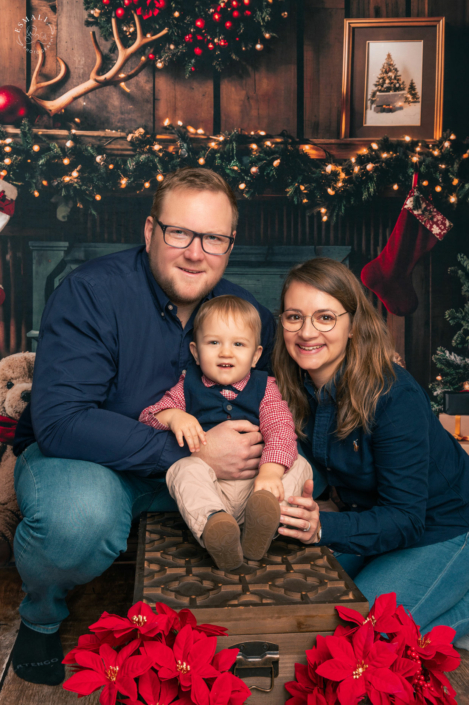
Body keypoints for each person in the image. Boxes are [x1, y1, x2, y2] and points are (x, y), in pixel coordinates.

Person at [11, 168, 276, 686]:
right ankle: (41, 616)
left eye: (213, 238)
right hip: (90, 463)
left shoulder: (248, 315)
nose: (196, 253)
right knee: (77, 520)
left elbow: (277, 404)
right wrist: (192, 455)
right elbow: (61, 422)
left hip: (204, 480)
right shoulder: (90, 293)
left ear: (230, 244)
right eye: (180, 233)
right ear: (151, 231)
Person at [273, 257, 469, 646]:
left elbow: (406, 519)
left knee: (357, 641)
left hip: (440, 526)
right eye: (294, 316)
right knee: (299, 608)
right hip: (369, 517)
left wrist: (322, 528)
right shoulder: (292, 383)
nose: (307, 332)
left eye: (325, 317)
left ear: (352, 325)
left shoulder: (395, 396)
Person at [139, 294, 312, 571]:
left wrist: (270, 472)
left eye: (238, 344)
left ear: (256, 355)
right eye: (214, 342)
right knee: (181, 470)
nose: (226, 352)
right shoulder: (186, 386)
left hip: (259, 487)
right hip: (212, 489)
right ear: (195, 352)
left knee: (300, 464)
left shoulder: (265, 387)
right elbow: (148, 418)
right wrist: (173, 416)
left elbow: (281, 429)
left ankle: (264, 523)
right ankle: (215, 527)